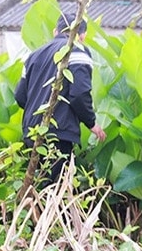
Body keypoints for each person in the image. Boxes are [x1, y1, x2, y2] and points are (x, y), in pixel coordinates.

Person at [14, 12, 106, 183]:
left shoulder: (33, 55)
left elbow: (20, 96)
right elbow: (79, 93)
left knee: (39, 187)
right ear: (82, 36)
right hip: (58, 134)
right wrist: (91, 123)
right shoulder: (77, 51)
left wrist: (37, 115)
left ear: (55, 31)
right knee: (57, 191)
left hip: (32, 132)